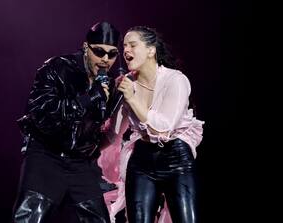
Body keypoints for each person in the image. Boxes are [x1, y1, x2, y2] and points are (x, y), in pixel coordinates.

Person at [12, 21, 121, 223]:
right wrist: (88, 98)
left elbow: (100, 129)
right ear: (86, 48)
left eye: (112, 54)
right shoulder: (57, 67)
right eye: (99, 52)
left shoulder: (109, 84)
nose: (105, 59)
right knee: (29, 219)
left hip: (80, 163)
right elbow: (42, 115)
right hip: (47, 155)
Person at [100, 26, 204, 223]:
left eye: (133, 45)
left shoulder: (176, 80)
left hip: (176, 158)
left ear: (151, 50)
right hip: (142, 161)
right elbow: (113, 133)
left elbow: (164, 128)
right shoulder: (126, 83)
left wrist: (132, 98)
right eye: (124, 46)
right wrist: (82, 149)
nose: (126, 51)